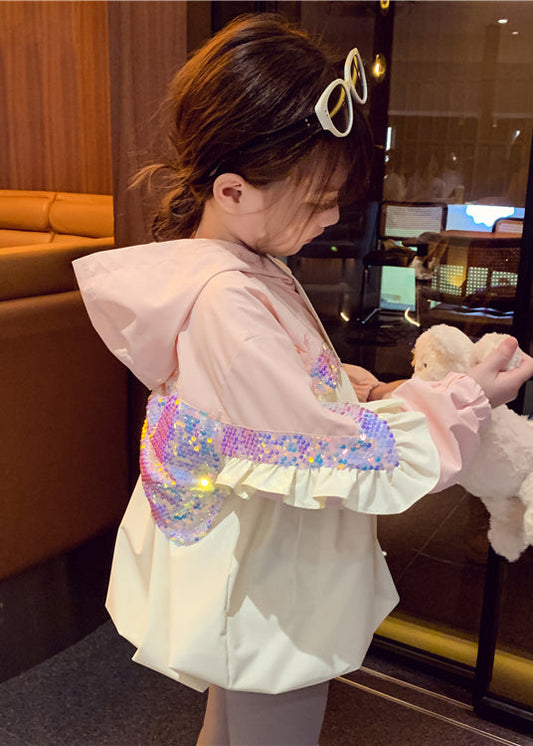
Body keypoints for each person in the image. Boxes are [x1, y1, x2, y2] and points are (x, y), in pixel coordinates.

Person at [73, 15, 533, 746]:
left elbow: (286, 388)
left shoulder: (240, 267)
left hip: (247, 537)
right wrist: (469, 399)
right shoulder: (227, 298)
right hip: (265, 561)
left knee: (237, 709)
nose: (333, 215)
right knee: (275, 700)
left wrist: (366, 389)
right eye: (316, 200)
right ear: (232, 190)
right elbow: (352, 455)